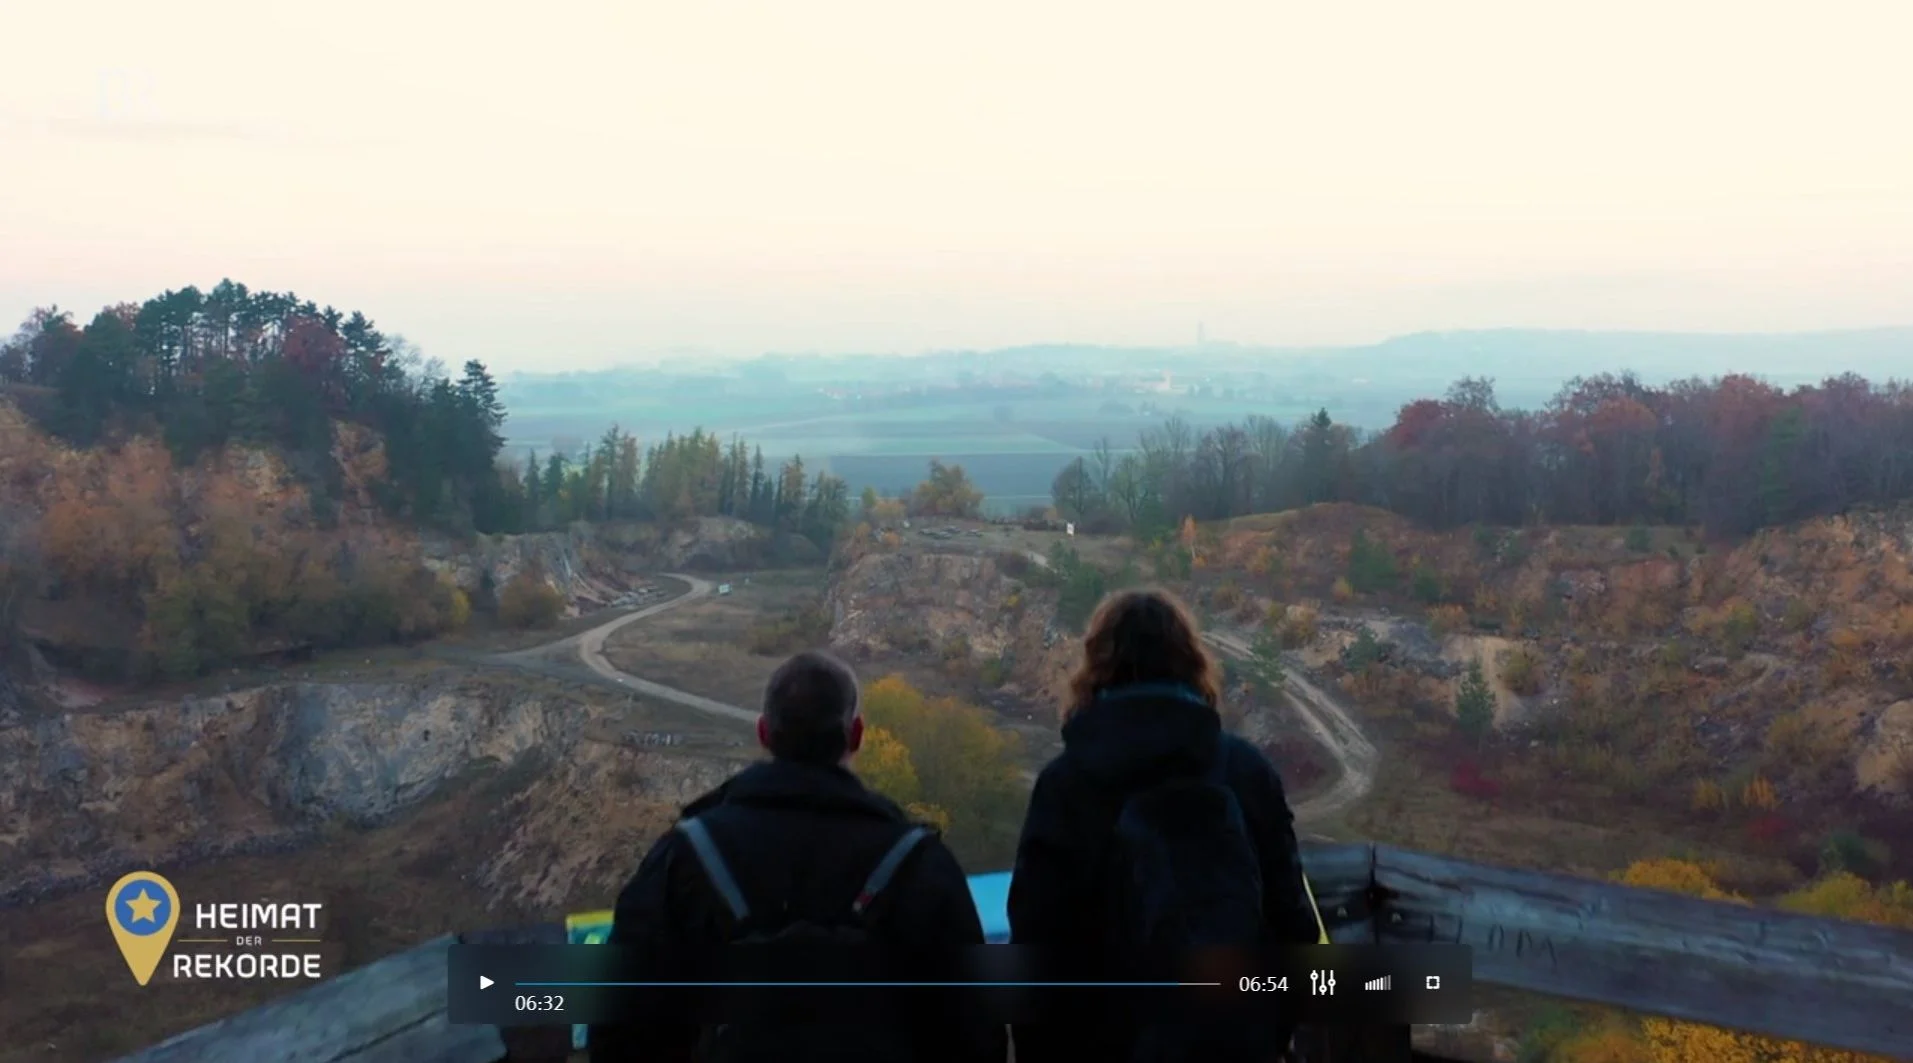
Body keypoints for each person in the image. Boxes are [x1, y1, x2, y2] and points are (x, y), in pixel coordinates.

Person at [589, 650, 1005, 1063]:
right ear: (856, 735)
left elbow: (620, 1026)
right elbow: (976, 1034)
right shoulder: (919, 865)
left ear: (764, 733)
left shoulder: (688, 857)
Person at [1007, 588, 1325, 1063]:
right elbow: (1294, 929)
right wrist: (1265, 1035)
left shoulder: (1066, 785)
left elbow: (1036, 948)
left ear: (1096, 668)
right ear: (1192, 663)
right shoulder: (1245, 771)